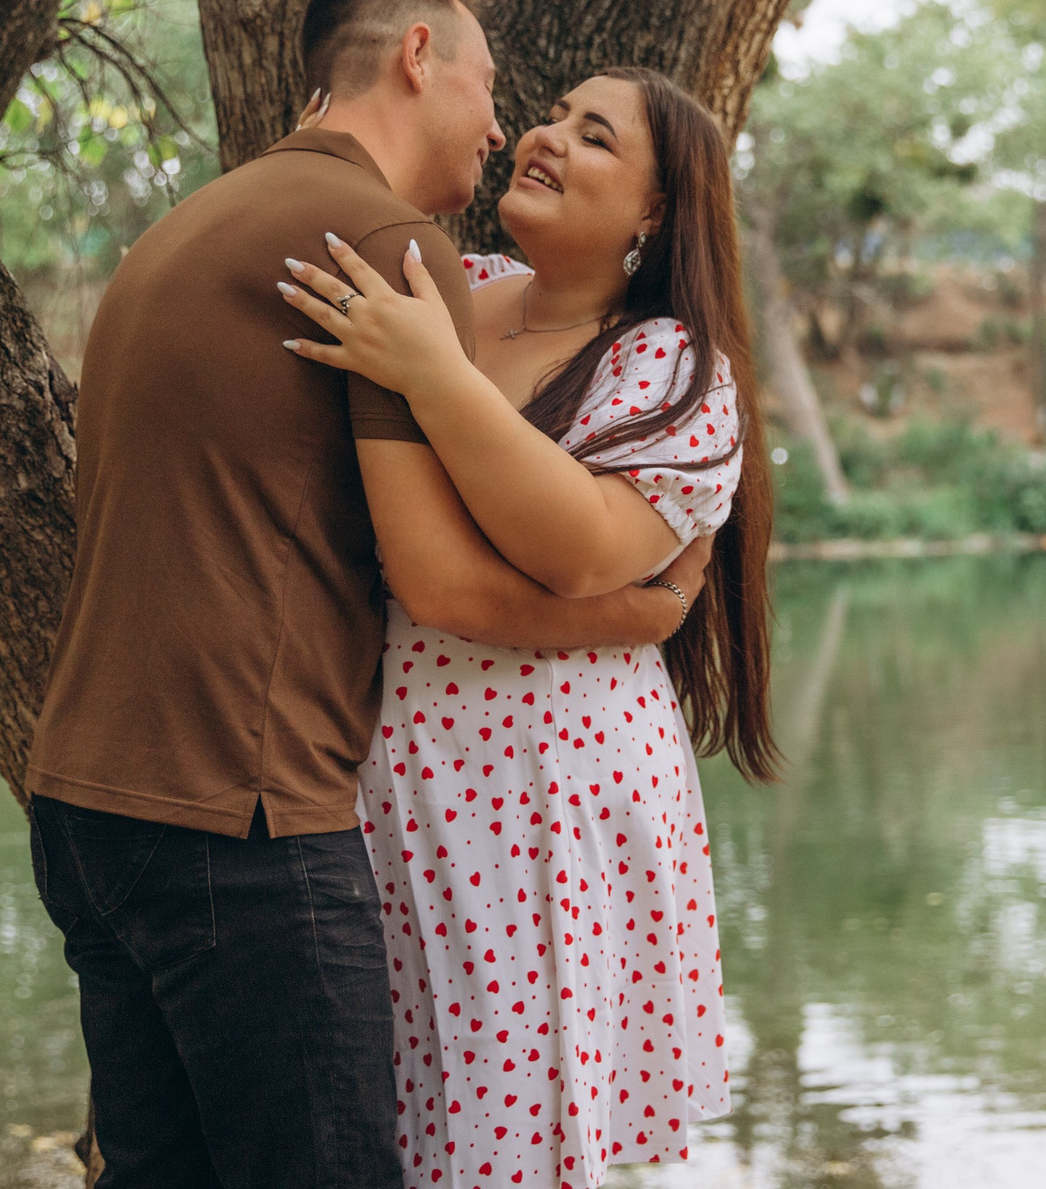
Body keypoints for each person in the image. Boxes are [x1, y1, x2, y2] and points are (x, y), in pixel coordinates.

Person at [25, 0, 710, 1189]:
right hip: (240, 812)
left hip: (90, 800)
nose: (511, 130)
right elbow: (438, 581)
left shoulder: (188, 226)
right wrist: (644, 610)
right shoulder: (392, 253)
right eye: (500, 90)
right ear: (415, 57)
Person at [277, 64, 777, 1189]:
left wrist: (429, 376)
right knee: (385, 1126)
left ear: (655, 212)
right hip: (380, 774)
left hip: (540, 796)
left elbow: (578, 548)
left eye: (592, 136)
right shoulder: (458, 288)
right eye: (551, 117)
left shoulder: (671, 363)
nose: (543, 139)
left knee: (510, 1137)